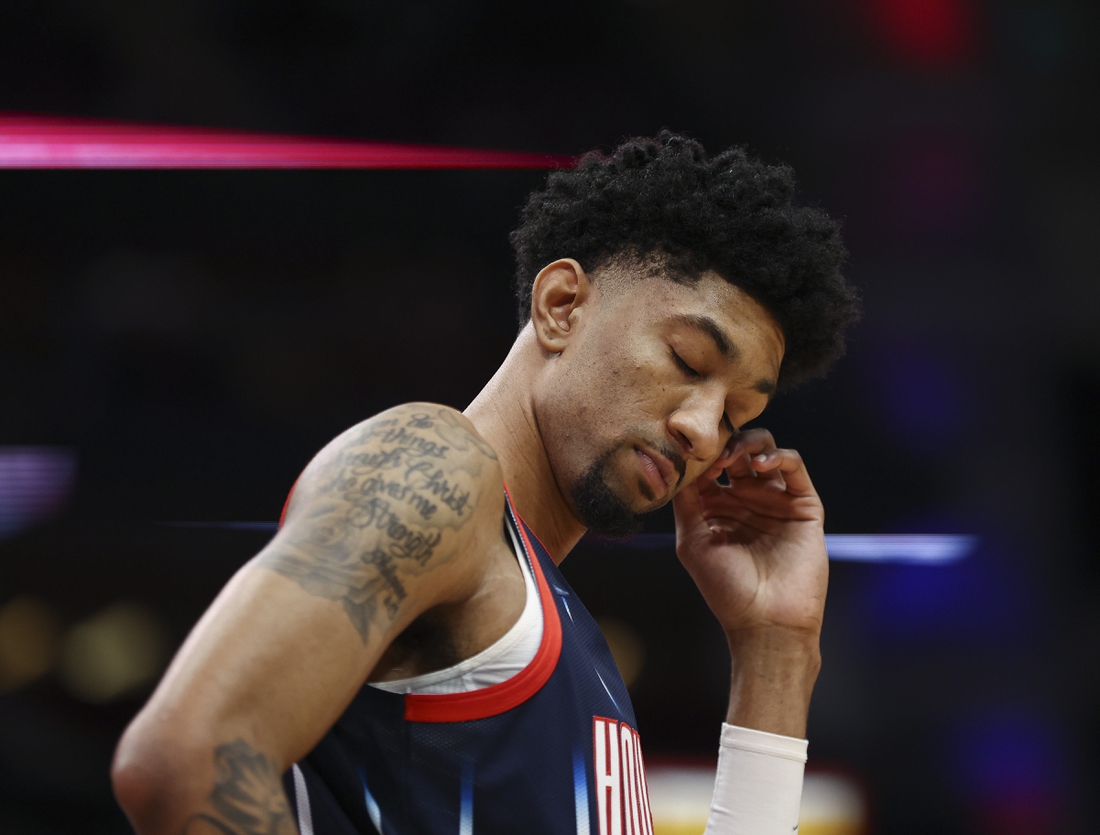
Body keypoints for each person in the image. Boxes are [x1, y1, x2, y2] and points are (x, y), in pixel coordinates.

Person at [111, 132, 861, 835]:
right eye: (689, 362)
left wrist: (775, 649)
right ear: (562, 306)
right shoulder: (436, 470)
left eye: (736, 415)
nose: (704, 430)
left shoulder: (574, 647)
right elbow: (184, 758)